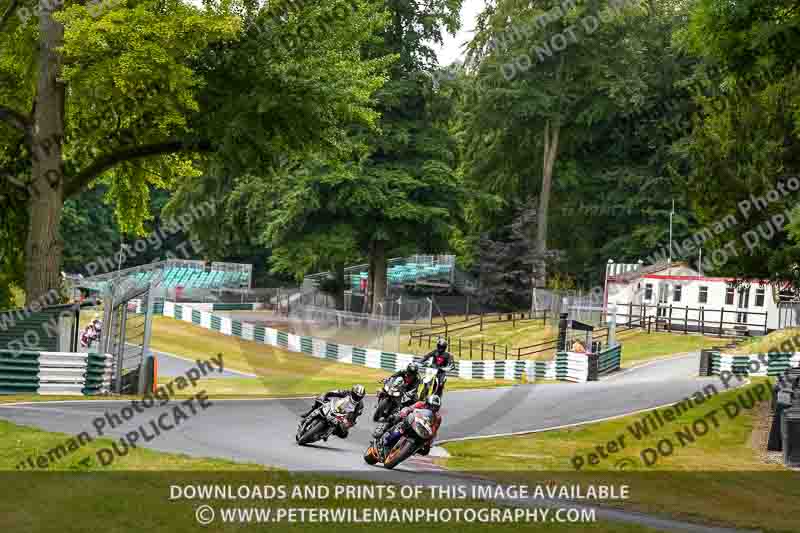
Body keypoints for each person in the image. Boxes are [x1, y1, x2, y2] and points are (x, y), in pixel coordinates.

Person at [299, 384, 365, 439]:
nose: (357, 398)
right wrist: (324, 396)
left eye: (359, 397)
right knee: (319, 400)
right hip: (334, 407)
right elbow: (332, 392)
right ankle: (309, 413)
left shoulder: (360, 405)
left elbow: (353, 419)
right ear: (352, 392)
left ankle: (327, 432)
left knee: (344, 434)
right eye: (355, 396)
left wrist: (347, 423)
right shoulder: (346, 393)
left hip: (342, 417)